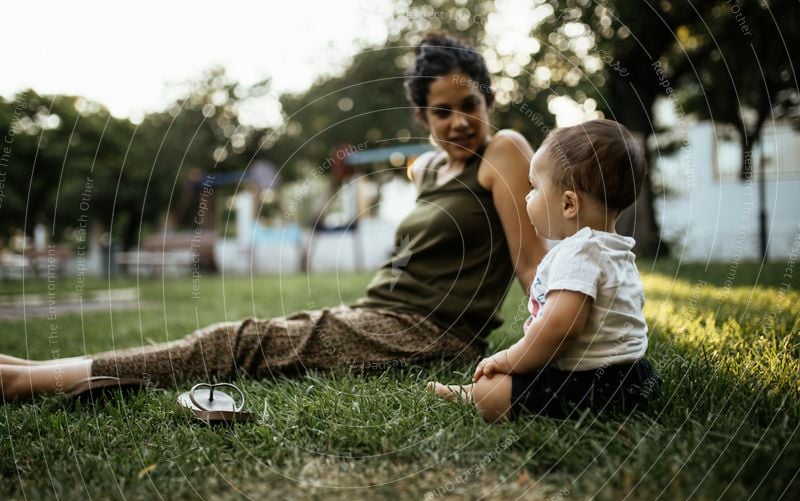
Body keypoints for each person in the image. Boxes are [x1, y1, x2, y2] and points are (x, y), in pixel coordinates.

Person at [0, 33, 546, 401]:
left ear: (489, 101)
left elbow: (530, 264)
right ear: (421, 116)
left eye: (469, 106)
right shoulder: (430, 170)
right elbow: (430, 175)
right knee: (257, 337)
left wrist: (540, 346)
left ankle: (28, 380)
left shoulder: (505, 152)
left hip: (428, 335)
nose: (458, 123)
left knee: (240, 342)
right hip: (381, 317)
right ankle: (28, 368)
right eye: (441, 112)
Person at [428, 119, 663, 422]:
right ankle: (470, 392)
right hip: (634, 375)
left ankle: (470, 395)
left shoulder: (579, 252)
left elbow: (559, 328)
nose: (527, 197)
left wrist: (509, 358)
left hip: (596, 383)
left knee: (492, 389)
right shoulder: (614, 249)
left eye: (534, 188)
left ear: (568, 204)